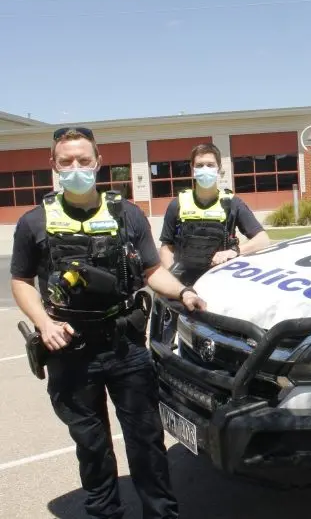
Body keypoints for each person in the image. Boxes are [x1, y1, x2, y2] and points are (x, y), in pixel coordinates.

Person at [10, 126, 207, 519]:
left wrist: (183, 292)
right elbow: (21, 280)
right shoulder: (34, 222)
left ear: (98, 163)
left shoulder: (127, 214)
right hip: (70, 350)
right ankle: (105, 513)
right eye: (66, 161)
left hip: (126, 348)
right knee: (92, 445)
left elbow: (152, 270)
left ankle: (161, 513)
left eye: (84, 160)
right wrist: (43, 324)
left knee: (146, 441)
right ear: (54, 165)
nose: (76, 168)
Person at [158, 142, 270, 286]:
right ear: (192, 169)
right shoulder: (177, 204)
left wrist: (234, 251)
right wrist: (174, 280)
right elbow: (166, 247)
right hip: (184, 284)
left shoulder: (232, 203)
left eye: (210, 165)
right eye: (199, 165)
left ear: (218, 169)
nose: (205, 169)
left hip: (219, 283)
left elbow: (263, 240)